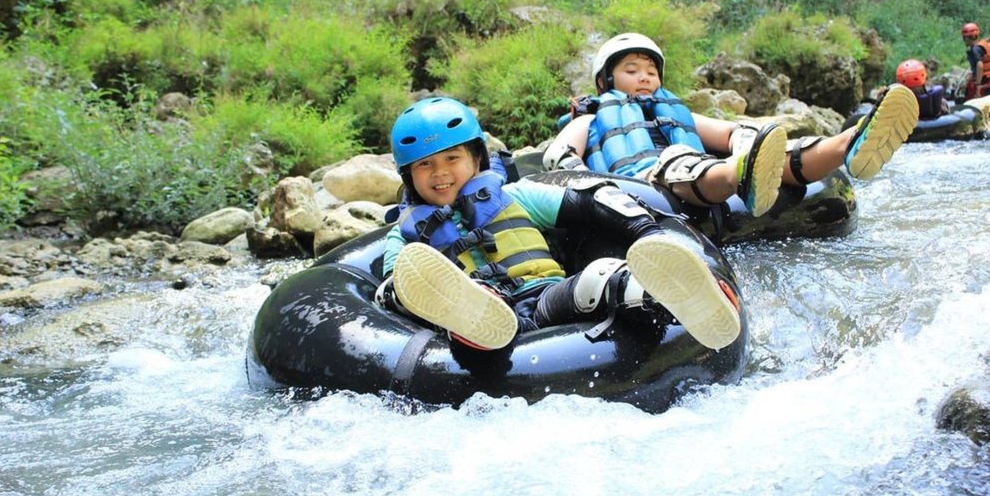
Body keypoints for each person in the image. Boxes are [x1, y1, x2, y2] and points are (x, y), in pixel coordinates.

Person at [375, 96, 742, 352]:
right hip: (483, 315)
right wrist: (409, 294)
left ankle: (677, 295)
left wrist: (647, 232)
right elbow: (399, 285)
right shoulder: (404, 235)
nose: (439, 173)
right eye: (424, 165)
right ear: (409, 176)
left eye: (451, 158)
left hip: (547, 297)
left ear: (476, 159)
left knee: (600, 277)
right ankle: (474, 314)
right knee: (462, 303)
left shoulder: (516, 195)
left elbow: (590, 200)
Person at [543, 33, 919, 204]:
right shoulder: (591, 120)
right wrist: (594, 192)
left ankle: (848, 144)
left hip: (698, 172)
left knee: (767, 150)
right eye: (631, 70)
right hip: (639, 186)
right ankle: (741, 175)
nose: (644, 78)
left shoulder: (673, 111)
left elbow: (727, 132)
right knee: (679, 160)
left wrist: (747, 143)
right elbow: (558, 156)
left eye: (651, 72)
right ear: (605, 81)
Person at [961, 22, 990, 100]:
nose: (964, 40)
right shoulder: (983, 45)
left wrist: (978, 84)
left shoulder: (975, 49)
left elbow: (980, 65)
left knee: (970, 95)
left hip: (984, 80)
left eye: (964, 38)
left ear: (967, 38)